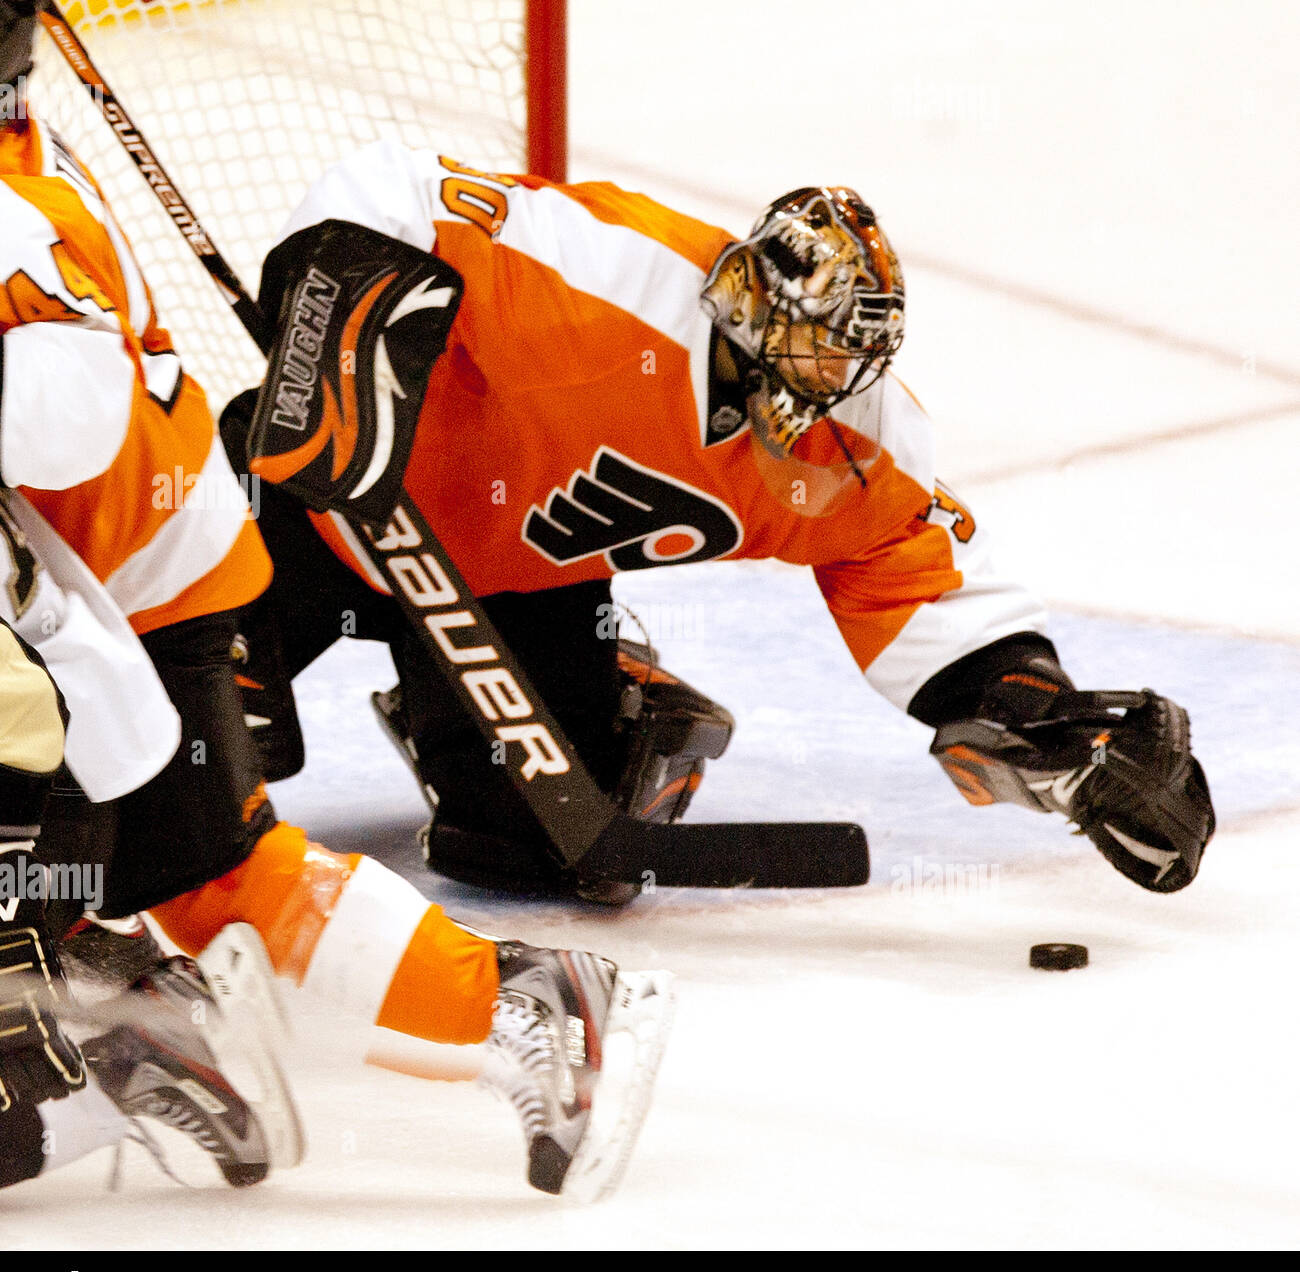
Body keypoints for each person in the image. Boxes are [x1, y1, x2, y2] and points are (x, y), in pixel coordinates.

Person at [0, 0, 672, 1200]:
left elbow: (72, 407)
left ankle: (138, 1022)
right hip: (112, 581)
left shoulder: (13, 211)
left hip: (130, 593)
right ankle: (138, 1007)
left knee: (179, 871)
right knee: (188, 868)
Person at [220, 143, 1215, 905]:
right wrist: (334, 326)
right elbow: (387, 185)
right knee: (190, 754)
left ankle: (619, 697)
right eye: (807, 348)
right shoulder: (611, 279)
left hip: (499, 588)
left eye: (843, 359)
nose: (822, 384)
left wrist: (1039, 714)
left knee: (536, 858)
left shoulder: (853, 446)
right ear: (745, 296)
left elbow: (909, 562)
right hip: (314, 503)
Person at [0, 617, 280, 1190]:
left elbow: (16, 697)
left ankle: (125, 1064)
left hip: (51, 785)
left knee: (10, 1141)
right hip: (76, 760)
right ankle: (136, 994)